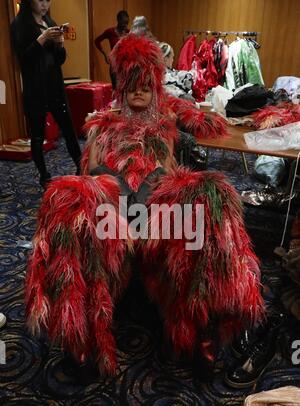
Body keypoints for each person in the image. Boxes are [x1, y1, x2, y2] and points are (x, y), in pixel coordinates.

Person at [26, 34, 264, 377]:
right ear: (121, 86)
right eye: (131, 84)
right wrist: (108, 186)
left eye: (145, 85)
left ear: (155, 86)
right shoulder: (101, 125)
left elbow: (201, 133)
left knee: (212, 197)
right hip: (113, 206)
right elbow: (90, 169)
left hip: (157, 209)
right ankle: (78, 329)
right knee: (65, 200)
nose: (138, 91)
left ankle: (200, 322)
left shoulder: (165, 120)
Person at [11, 0, 81, 189]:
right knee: (37, 136)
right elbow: (24, 60)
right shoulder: (19, 25)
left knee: (69, 130)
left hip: (55, 86)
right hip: (35, 89)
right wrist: (42, 39)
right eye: (40, 0)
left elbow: (59, 60)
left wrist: (60, 44)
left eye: (48, 0)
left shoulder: (50, 23)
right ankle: (44, 175)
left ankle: (81, 166)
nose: (45, 4)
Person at [94, 10, 129, 89]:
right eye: (123, 22)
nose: (125, 25)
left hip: (126, 66)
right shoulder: (110, 32)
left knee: (126, 89)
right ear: (118, 20)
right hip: (114, 65)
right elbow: (97, 41)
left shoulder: (128, 33)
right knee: (116, 88)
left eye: (127, 23)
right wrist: (105, 54)